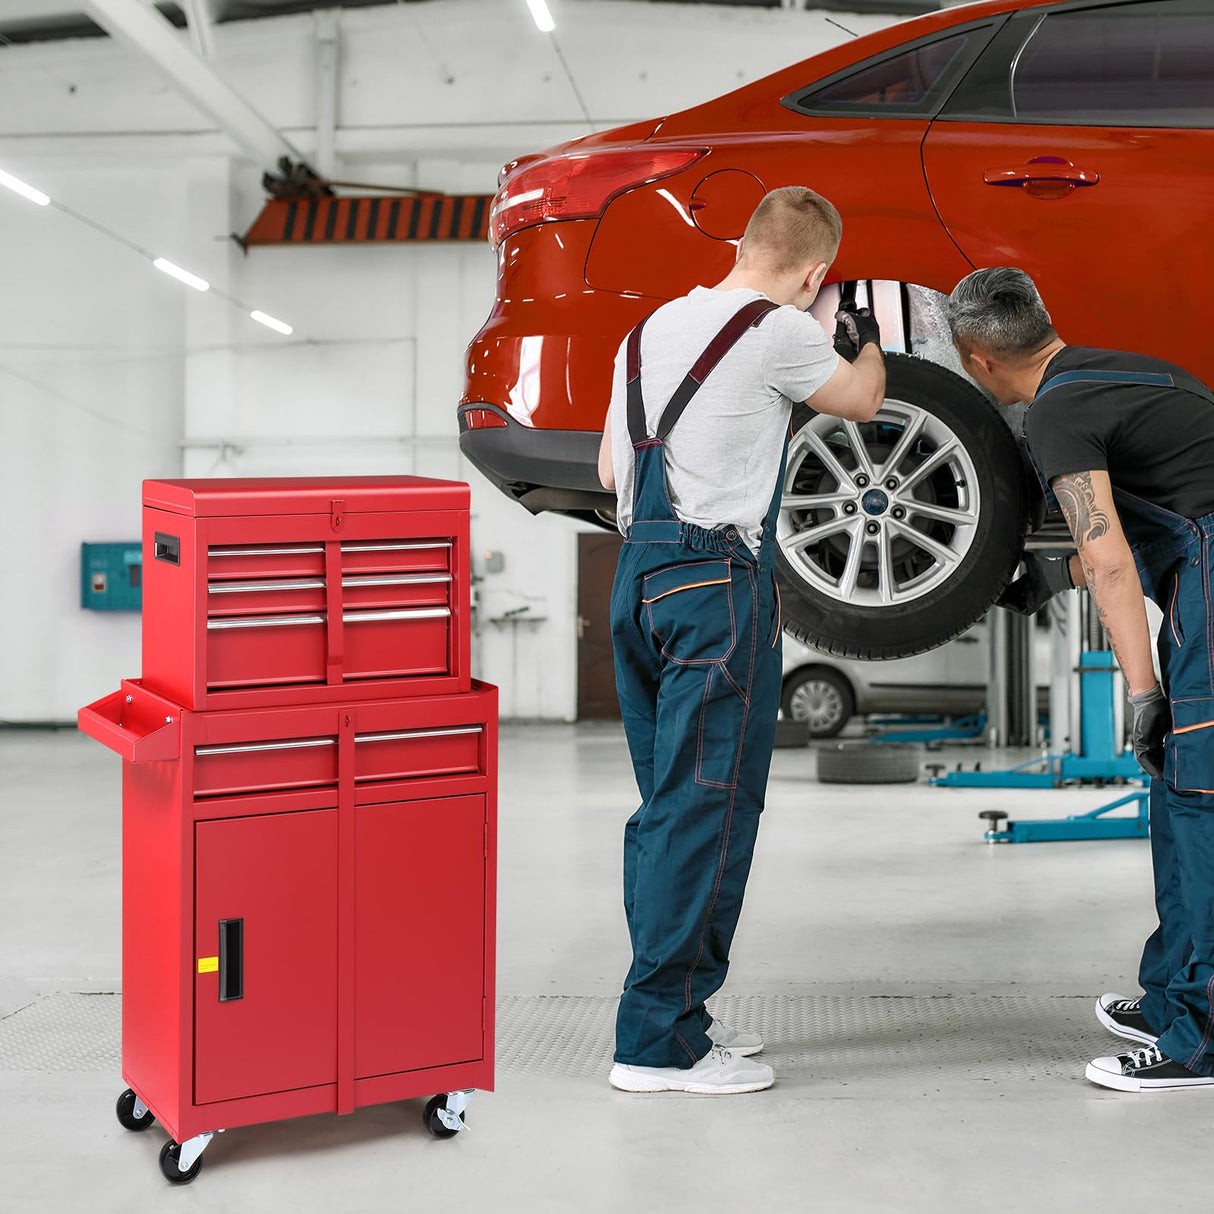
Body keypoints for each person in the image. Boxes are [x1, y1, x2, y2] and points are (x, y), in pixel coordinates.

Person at [597, 187, 886, 1094]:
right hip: (716, 588)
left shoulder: (644, 333)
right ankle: (658, 1042)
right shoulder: (781, 330)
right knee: (709, 810)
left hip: (637, 579)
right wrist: (862, 328)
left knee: (669, 809)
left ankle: (675, 1016)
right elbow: (864, 400)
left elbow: (612, 469)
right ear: (815, 271)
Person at [947, 266, 1214, 1093]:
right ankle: (1174, 997)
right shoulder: (1137, 371)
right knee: (1179, 793)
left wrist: (1142, 692)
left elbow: (1108, 556)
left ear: (975, 362)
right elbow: (1141, 514)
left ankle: (1199, 1042)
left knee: (1203, 804)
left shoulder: (1058, 409)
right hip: (1198, 573)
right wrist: (1042, 582)